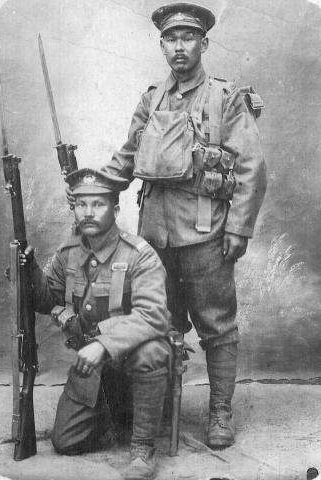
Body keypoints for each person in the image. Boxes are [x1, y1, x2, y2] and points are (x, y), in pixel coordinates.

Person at [91, 3, 267, 449]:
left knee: (217, 327)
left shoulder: (225, 98)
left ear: (203, 43)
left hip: (207, 234)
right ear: (162, 44)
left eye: (188, 38)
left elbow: (251, 168)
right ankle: (161, 408)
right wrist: (90, 191)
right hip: (154, 239)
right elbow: (128, 157)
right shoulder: (151, 98)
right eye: (171, 39)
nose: (179, 47)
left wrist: (239, 229)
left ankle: (220, 413)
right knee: (159, 324)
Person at [24, 168, 171, 480]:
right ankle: (115, 414)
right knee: (65, 442)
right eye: (81, 204)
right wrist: (30, 270)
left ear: (115, 209)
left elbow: (153, 316)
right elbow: (46, 301)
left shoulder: (139, 255)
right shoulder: (68, 254)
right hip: (92, 367)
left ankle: (143, 447)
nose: (88, 212)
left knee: (153, 351)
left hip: (130, 358)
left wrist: (103, 345)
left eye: (98, 204)